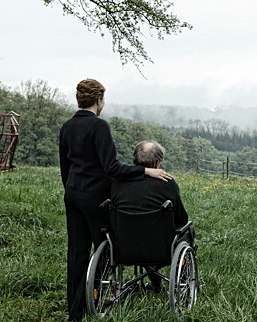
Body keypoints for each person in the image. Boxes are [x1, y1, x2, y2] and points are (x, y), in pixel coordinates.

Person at [59, 79, 172, 321]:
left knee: (77, 253)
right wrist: (145, 171)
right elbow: (112, 168)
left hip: (72, 194)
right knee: (105, 250)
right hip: (95, 198)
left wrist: (73, 188)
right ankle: (97, 299)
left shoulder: (67, 127)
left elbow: (64, 167)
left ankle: (75, 312)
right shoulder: (99, 127)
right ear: (99, 100)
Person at [111, 140, 189, 290]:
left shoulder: (117, 182)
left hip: (124, 246)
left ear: (135, 159)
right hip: (160, 248)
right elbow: (181, 218)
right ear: (158, 163)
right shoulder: (167, 183)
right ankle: (182, 279)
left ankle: (154, 282)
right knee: (187, 230)